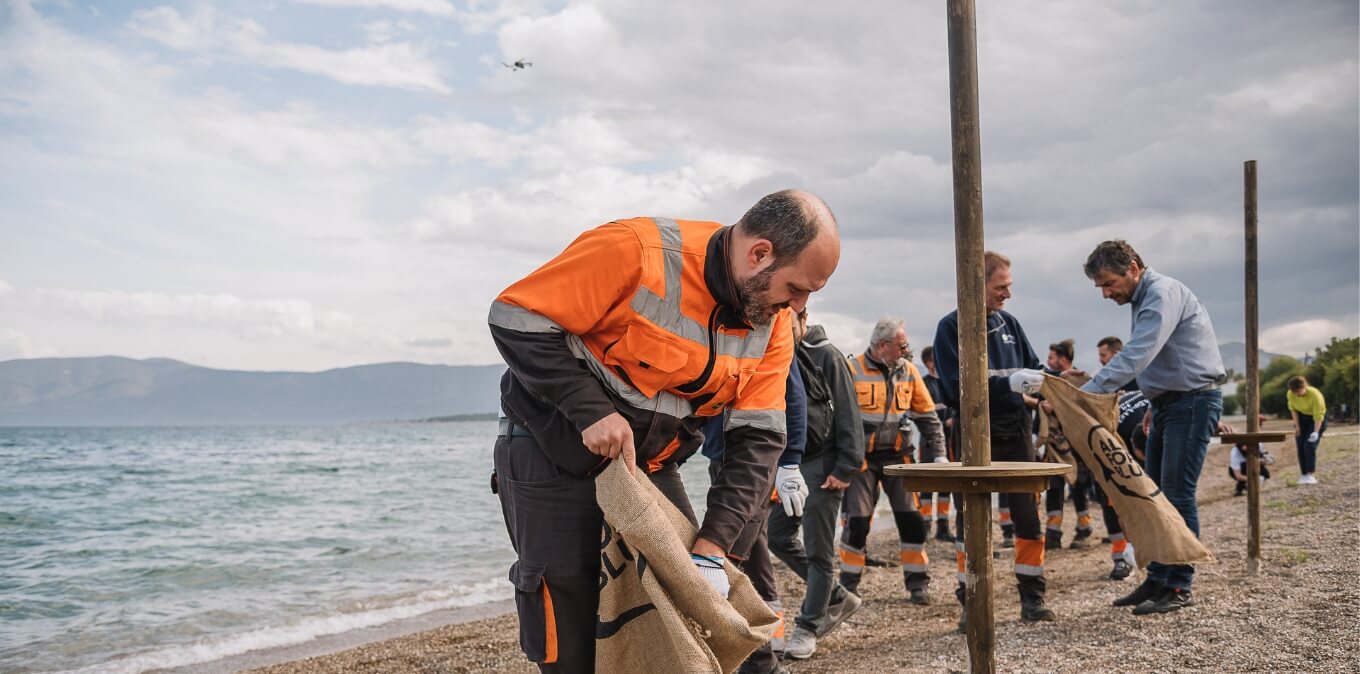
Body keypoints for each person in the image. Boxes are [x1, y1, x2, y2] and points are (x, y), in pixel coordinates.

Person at [487, 190, 840, 671]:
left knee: (674, 609)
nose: (798, 306)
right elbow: (514, 316)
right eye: (798, 289)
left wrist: (715, 549)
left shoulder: (773, 324)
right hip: (549, 447)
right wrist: (589, 410)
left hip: (650, 465)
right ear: (759, 254)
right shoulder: (636, 251)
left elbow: (757, 440)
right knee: (566, 610)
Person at [1069, 240, 1225, 616]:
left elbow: (1139, 353)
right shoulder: (1143, 297)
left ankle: (1178, 584)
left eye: (1108, 284)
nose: (1106, 294)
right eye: (1101, 288)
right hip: (1169, 404)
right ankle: (1157, 577)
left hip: (1191, 402)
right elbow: (1155, 360)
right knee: (1153, 495)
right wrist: (1154, 401)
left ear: (1133, 268)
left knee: (1177, 493)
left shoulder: (1161, 293)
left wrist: (1084, 395)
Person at [933, 251, 1056, 626]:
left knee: (1027, 519)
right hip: (974, 437)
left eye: (1009, 286)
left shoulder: (1010, 324)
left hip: (1016, 431)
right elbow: (954, 390)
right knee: (969, 523)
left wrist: (1049, 380)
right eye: (1001, 287)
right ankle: (971, 603)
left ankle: (1032, 599)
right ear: (976, 283)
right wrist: (1007, 384)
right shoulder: (950, 328)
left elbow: (1034, 366)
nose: (1007, 294)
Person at [768, 309, 866, 661]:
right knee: (776, 535)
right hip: (793, 465)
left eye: (787, 321)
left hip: (825, 465)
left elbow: (849, 413)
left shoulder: (828, 355)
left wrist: (846, 466)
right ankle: (836, 596)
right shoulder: (781, 352)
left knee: (820, 550)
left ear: (802, 319)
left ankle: (808, 626)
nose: (780, 327)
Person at [700, 361, 808, 674]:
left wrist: (790, 462)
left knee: (734, 555)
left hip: (756, 461)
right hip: (723, 456)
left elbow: (794, 398)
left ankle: (760, 659)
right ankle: (765, 655)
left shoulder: (774, 335)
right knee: (753, 555)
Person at [838, 317, 948, 607]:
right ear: (883, 346)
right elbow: (837, 419)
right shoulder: (852, 370)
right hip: (861, 460)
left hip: (899, 458)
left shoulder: (909, 372)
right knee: (857, 523)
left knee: (912, 521)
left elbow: (927, 417)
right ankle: (847, 586)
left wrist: (939, 454)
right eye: (901, 345)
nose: (906, 349)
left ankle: (917, 584)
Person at [1041, 339, 1094, 551]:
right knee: (1053, 487)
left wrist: (1057, 406)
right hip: (1054, 444)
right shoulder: (1049, 381)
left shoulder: (1082, 381)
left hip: (1077, 443)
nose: (1048, 361)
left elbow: (1087, 406)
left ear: (1062, 359)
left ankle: (1085, 527)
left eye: (1051, 358)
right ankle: (1053, 533)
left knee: (1079, 486)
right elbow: (1037, 399)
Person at [917, 345, 957, 542]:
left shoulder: (947, 383)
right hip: (928, 442)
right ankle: (924, 526)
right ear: (930, 363)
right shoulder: (923, 384)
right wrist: (945, 423)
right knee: (926, 485)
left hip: (949, 441)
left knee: (945, 485)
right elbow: (923, 418)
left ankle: (943, 527)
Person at [1286, 375, 1327, 485]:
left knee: (1308, 445)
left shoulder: (1315, 395)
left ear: (1304, 386)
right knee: (1300, 445)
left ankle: (1311, 474)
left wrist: (1316, 432)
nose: (1296, 395)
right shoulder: (1290, 394)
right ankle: (1304, 475)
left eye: (1298, 391)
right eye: (1294, 392)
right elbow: (1293, 410)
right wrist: (1297, 426)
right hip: (1302, 418)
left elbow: (1318, 415)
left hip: (1317, 420)